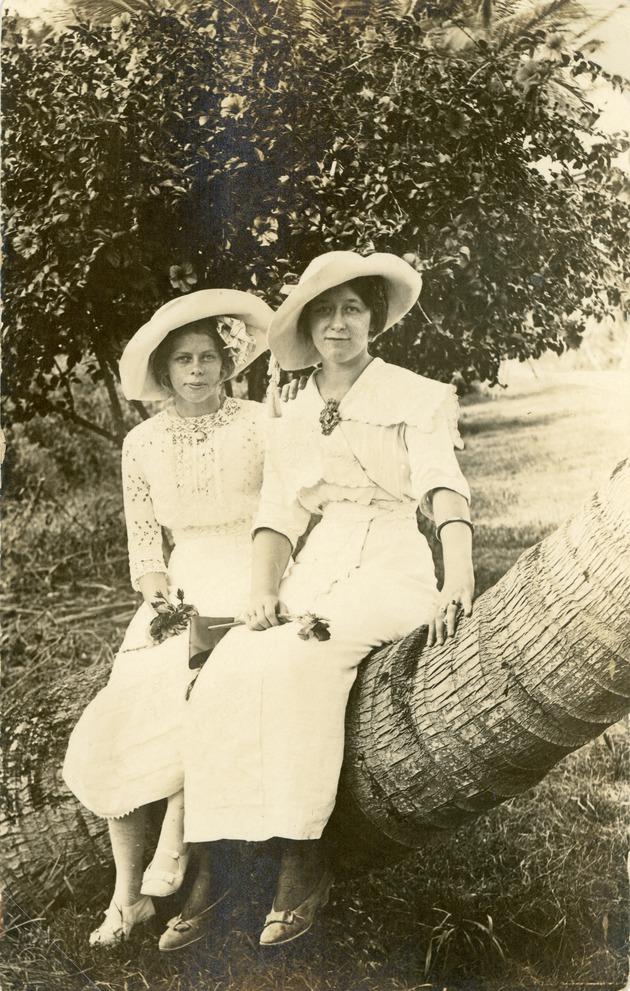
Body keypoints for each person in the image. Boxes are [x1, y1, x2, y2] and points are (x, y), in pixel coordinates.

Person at [162, 251, 474, 951]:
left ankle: (304, 859)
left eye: (353, 310)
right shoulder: (294, 413)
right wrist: (262, 591)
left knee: (303, 662)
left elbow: (442, 489)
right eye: (326, 312)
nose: (339, 324)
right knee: (230, 666)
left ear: (373, 320)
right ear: (307, 325)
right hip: (320, 566)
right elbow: (278, 514)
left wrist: (459, 574)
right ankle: (212, 861)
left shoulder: (416, 395)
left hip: (390, 565)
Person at [62, 289, 273, 947]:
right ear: (164, 370)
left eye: (208, 355)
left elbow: (286, 516)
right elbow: (146, 548)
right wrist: (160, 600)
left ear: (227, 360)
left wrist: (267, 586)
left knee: (206, 687)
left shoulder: (260, 422)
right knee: (127, 708)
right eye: (182, 359)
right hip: (180, 585)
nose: (197, 370)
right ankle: (128, 896)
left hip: (254, 572)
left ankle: (177, 834)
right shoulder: (142, 442)